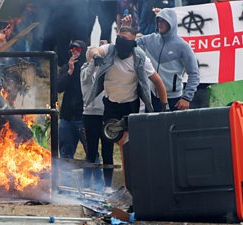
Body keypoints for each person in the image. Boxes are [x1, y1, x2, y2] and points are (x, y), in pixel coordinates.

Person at [86, 27, 168, 173]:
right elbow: (93, 49)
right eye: (120, 38)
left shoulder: (140, 58)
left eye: (126, 39)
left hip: (130, 106)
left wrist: (164, 106)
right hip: (110, 103)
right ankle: (106, 186)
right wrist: (96, 56)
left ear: (133, 43)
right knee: (107, 143)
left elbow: (158, 82)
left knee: (128, 145)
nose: (122, 42)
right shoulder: (110, 50)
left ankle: (132, 178)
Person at [123, 8, 200, 111]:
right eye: (158, 20)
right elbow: (127, 45)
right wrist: (126, 28)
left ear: (171, 23)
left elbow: (194, 74)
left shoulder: (182, 46)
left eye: (163, 20)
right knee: (151, 127)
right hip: (152, 97)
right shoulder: (150, 40)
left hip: (174, 99)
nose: (160, 23)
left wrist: (186, 98)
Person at [81, 46, 113, 192]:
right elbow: (88, 76)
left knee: (108, 150)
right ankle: (86, 184)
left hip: (106, 114)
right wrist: (94, 60)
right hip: (90, 114)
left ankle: (107, 185)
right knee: (91, 151)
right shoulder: (84, 70)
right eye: (93, 54)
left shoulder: (105, 69)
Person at [57, 40, 89, 186]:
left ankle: (94, 185)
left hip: (84, 117)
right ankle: (65, 186)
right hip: (67, 117)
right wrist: (69, 72)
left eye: (77, 49)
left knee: (92, 153)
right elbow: (58, 87)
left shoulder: (89, 67)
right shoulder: (67, 67)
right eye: (72, 49)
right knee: (65, 154)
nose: (74, 52)